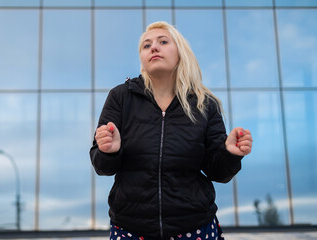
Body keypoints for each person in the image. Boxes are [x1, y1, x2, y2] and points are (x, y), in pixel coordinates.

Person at [90, 21, 253, 240]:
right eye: (146, 46)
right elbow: (102, 167)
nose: (153, 48)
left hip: (195, 229)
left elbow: (219, 173)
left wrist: (229, 152)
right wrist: (108, 150)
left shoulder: (205, 104)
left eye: (163, 42)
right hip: (130, 230)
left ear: (180, 52)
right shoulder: (120, 97)